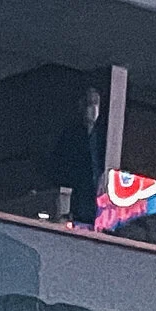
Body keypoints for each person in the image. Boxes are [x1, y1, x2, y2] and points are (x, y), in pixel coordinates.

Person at [45, 80, 104, 222]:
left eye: (96, 103)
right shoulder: (71, 134)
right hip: (78, 191)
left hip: (99, 192)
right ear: (81, 106)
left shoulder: (103, 135)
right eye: (89, 103)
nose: (93, 108)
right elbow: (60, 163)